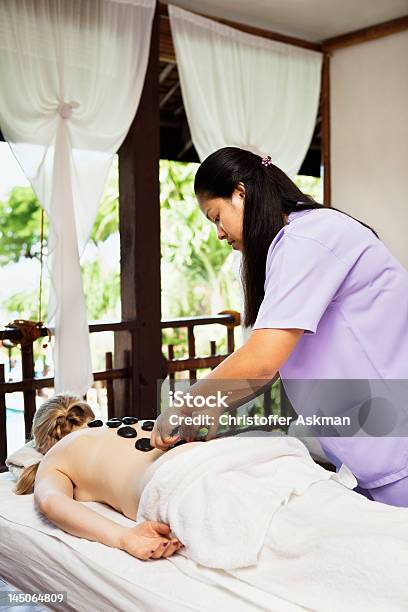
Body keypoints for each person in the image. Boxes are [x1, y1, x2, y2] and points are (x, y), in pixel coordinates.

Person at [152, 146, 408, 508]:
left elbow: (262, 359)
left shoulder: (307, 238)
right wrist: (216, 408)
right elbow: (278, 363)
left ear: (240, 193)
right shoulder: (295, 243)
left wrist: (189, 402)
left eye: (216, 217)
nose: (220, 234)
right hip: (370, 448)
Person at [15, 393, 190, 560]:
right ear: (88, 417)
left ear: (42, 445)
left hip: (171, 481)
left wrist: (123, 536)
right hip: (206, 453)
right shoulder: (131, 424)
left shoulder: (55, 455)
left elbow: (51, 501)